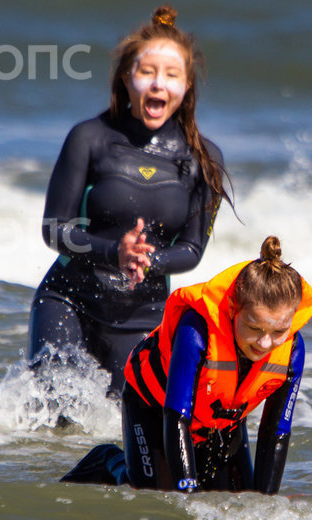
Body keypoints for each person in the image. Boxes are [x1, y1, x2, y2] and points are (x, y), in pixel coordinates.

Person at [28, 5, 231, 393]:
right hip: (69, 301)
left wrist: (149, 258)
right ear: (126, 78)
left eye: (172, 75)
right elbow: (54, 229)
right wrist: (113, 253)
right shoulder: (89, 138)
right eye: (147, 72)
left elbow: (191, 249)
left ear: (186, 86)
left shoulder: (205, 160)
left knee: (124, 428)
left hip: (143, 318)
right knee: (54, 418)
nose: (159, 84)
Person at [61, 236, 312, 494]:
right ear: (232, 308)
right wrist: (187, 491)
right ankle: (107, 460)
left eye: (278, 331)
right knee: (156, 497)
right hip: (155, 410)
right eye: (254, 327)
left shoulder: (292, 349)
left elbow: (276, 431)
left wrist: (265, 504)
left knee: (242, 501)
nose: (264, 342)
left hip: (219, 423)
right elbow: (176, 417)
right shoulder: (196, 329)